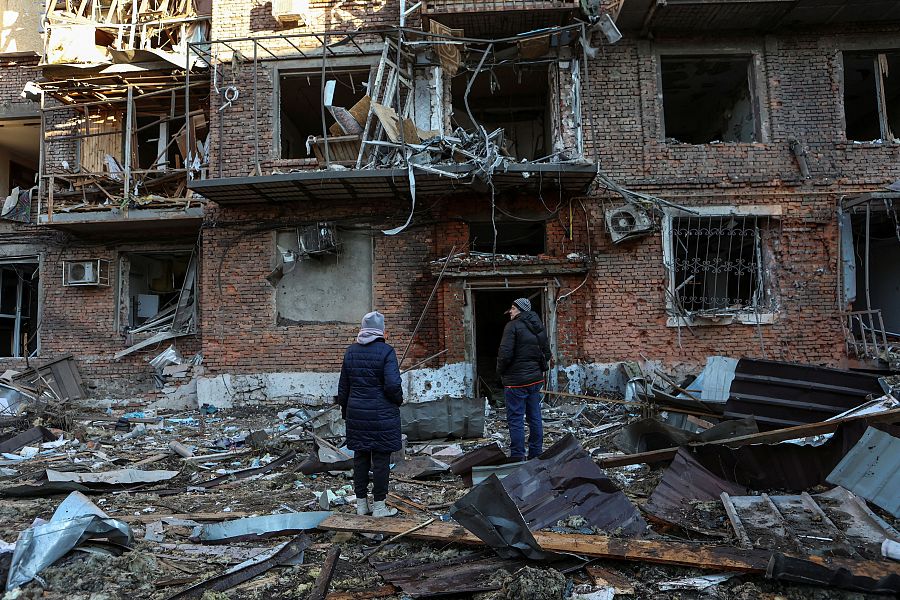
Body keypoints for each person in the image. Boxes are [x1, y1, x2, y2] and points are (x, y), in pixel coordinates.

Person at [336, 310, 402, 518]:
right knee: (381, 460)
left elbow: (343, 388)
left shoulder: (351, 351)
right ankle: (380, 507)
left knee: (361, 458)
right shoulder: (386, 352)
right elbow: (392, 385)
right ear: (381, 331)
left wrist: (347, 413)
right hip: (381, 415)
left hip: (357, 413)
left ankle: (361, 505)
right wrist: (398, 400)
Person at [496, 297, 550, 461]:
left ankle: (518, 455)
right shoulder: (538, 327)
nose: (510, 312)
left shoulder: (512, 326)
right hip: (535, 380)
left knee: (515, 419)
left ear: (519, 309)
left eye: (512, 309)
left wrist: (500, 372)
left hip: (516, 382)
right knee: (535, 416)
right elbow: (547, 354)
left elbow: (505, 354)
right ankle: (535, 452)